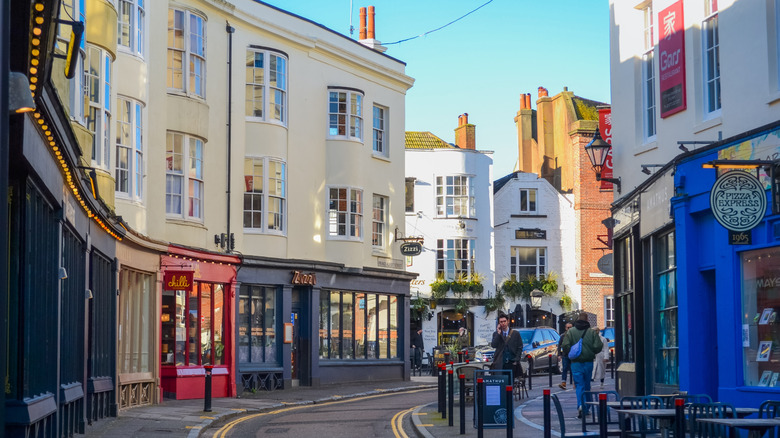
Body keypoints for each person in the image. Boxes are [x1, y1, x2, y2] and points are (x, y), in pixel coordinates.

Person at [560, 313, 603, 418]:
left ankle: (580, 405)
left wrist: (571, 352)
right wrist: (591, 351)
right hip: (588, 362)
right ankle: (586, 407)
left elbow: (564, 345)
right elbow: (598, 346)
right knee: (587, 384)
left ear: (577, 319)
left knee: (579, 385)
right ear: (587, 319)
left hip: (575, 363)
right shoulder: (591, 332)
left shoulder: (571, 332)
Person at [557, 322, 573, 389]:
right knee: (565, 368)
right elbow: (559, 345)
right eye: (568, 327)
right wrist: (559, 354)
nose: (569, 329)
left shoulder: (574, 335)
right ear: (566, 328)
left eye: (570, 327)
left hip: (573, 355)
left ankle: (574, 382)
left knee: (573, 369)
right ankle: (564, 383)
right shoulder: (563, 336)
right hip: (565, 355)